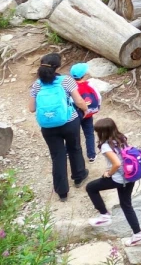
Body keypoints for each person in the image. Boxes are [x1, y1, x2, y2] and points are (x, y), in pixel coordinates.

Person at [30, 52, 88, 201]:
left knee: (57, 155)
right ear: (57, 67)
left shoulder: (37, 85)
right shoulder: (66, 81)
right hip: (69, 122)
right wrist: (85, 109)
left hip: (48, 127)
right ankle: (79, 177)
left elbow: (31, 108)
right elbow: (79, 101)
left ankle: (62, 192)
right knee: (74, 148)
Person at [86, 117, 141, 246]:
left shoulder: (106, 146)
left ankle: (104, 215)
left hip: (120, 179)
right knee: (126, 205)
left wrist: (108, 173)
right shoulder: (121, 138)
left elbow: (117, 163)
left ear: (102, 132)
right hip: (130, 176)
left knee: (91, 187)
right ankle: (138, 234)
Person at [70, 63, 101, 161]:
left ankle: (68, 151)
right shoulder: (90, 84)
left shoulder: (70, 86)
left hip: (75, 114)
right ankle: (91, 155)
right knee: (89, 134)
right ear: (84, 74)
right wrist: (97, 106)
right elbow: (98, 97)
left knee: (72, 133)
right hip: (88, 114)